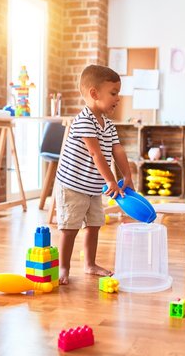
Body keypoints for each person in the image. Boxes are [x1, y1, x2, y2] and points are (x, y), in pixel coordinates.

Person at [55, 65, 134, 285]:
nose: (118, 98)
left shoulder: (108, 124)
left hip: (91, 187)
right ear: (94, 93)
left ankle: (89, 264)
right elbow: (95, 152)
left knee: (94, 225)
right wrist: (110, 180)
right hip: (72, 185)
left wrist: (127, 175)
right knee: (70, 228)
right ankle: (63, 267)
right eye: (113, 93)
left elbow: (117, 150)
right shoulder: (84, 121)